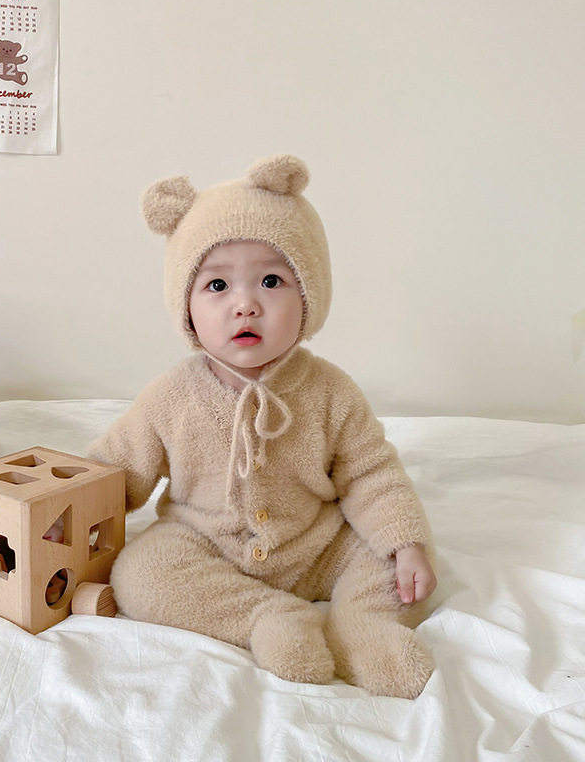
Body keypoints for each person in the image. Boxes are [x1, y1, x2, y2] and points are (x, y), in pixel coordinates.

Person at [88, 154, 437, 698]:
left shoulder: (330, 391)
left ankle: (363, 631)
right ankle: (266, 618)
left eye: (271, 281)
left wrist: (404, 544)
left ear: (310, 295)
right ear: (186, 307)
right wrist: (63, 508)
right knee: (140, 574)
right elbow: (115, 470)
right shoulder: (171, 397)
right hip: (208, 546)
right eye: (217, 285)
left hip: (316, 545)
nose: (245, 305)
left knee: (396, 563)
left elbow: (371, 474)